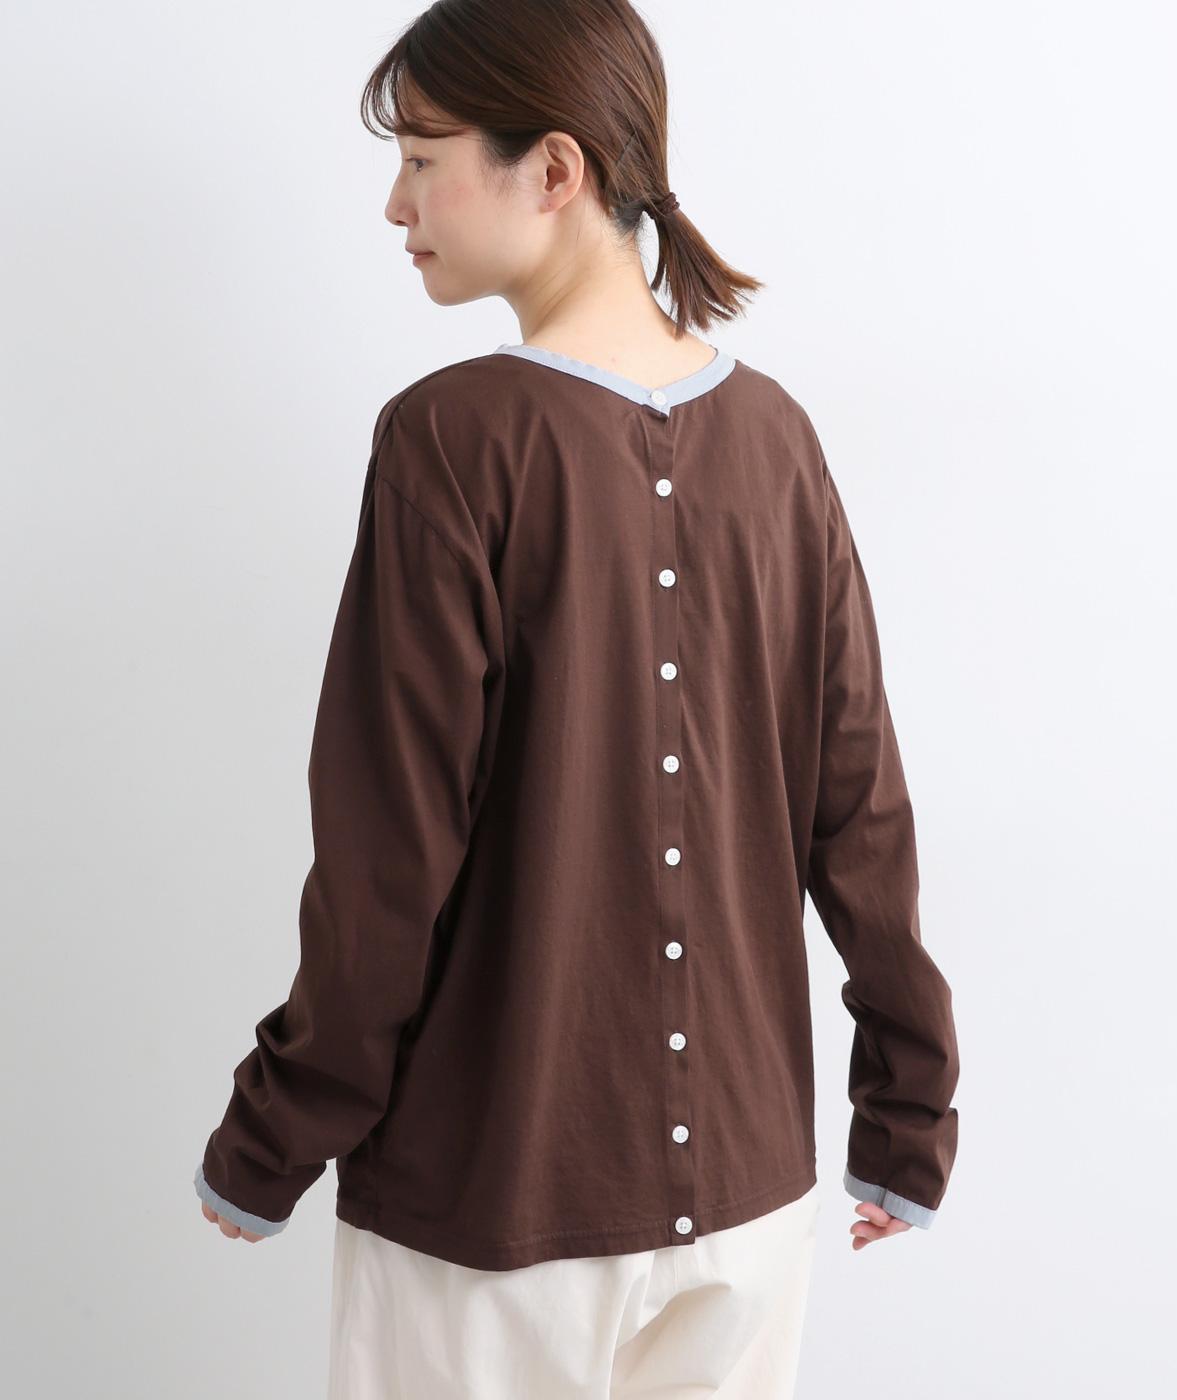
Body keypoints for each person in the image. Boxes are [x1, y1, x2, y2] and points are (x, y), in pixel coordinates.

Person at [194, 2, 960, 1396]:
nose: (395, 204)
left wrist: (271, 1137)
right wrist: (907, 1109)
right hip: (751, 1210)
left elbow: (387, 862)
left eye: (422, 161)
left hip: (494, 1206)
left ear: (552, 169)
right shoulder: (778, 439)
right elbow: (861, 810)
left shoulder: (450, 440)